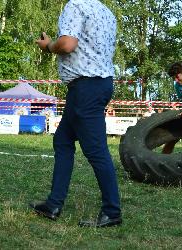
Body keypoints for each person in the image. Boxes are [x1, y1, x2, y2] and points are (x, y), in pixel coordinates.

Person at [32, 0, 121, 228]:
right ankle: (53, 204)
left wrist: (49, 45)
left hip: (85, 87)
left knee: (96, 150)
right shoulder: (105, 11)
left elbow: (68, 44)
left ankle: (112, 212)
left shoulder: (75, 5)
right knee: (62, 141)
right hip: (95, 84)